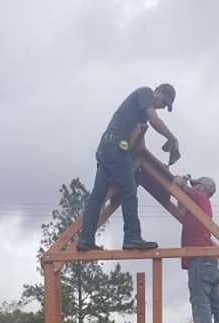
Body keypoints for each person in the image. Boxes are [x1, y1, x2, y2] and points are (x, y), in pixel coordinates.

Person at [77, 85, 180, 253]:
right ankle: (132, 236)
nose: (161, 107)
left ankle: (86, 239)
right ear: (158, 91)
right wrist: (173, 139)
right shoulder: (145, 92)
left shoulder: (140, 115)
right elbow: (154, 120)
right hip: (116, 146)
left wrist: (159, 164)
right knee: (129, 190)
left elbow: (141, 147)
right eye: (164, 102)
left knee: (98, 196)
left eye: (165, 105)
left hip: (106, 147)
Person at [172, 174, 219, 323]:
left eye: (197, 185)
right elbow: (181, 207)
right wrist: (180, 188)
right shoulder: (197, 208)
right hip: (210, 262)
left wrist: (181, 182)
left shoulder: (201, 199)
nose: (194, 187)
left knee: (200, 300)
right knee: (214, 301)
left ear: (203, 188)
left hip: (200, 260)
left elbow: (185, 189)